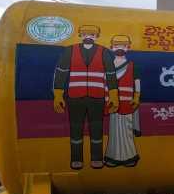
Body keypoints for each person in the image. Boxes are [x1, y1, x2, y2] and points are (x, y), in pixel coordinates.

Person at [52, 25, 118, 169]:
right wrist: (58, 95)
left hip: (97, 97)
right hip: (75, 96)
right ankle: (76, 159)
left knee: (97, 129)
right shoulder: (69, 51)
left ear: (97, 36)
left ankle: (96, 158)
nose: (89, 36)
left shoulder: (104, 52)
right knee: (75, 128)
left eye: (92, 34)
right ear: (80, 35)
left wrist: (113, 96)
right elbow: (61, 72)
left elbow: (111, 74)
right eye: (85, 34)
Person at [104, 35, 141, 167]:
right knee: (114, 132)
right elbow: (104, 83)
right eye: (116, 45)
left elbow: (137, 82)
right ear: (111, 47)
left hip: (127, 103)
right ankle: (113, 157)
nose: (119, 48)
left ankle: (130, 157)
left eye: (123, 45)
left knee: (127, 130)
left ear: (128, 47)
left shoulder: (131, 65)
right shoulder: (108, 66)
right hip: (113, 103)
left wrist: (137, 96)